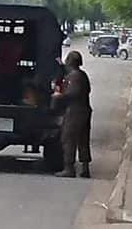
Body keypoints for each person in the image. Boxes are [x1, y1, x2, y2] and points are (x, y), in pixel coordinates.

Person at [52, 50, 92, 178]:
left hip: (75, 111)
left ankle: (69, 168)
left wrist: (59, 96)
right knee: (83, 140)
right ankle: (85, 168)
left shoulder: (74, 77)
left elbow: (73, 93)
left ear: (70, 62)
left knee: (68, 139)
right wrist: (60, 65)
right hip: (84, 110)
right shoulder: (81, 75)